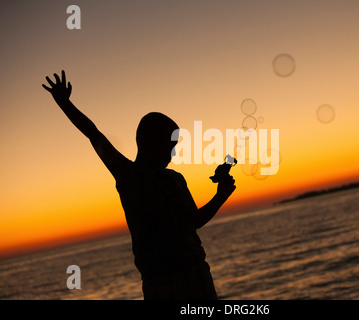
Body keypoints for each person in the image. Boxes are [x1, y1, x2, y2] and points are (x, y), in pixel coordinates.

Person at [42, 70, 236, 299]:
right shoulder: (128, 174)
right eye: (169, 145)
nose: (173, 152)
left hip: (194, 271)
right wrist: (65, 104)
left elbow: (194, 221)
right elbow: (93, 134)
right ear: (148, 143)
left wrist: (221, 195)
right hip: (163, 279)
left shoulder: (173, 178)